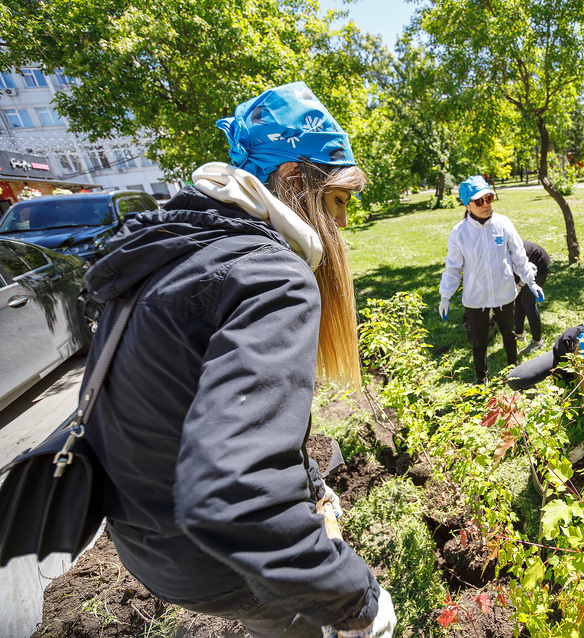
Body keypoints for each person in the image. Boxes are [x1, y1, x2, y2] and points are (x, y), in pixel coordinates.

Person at [81, 83, 395, 637]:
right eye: (339, 200)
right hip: (217, 564)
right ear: (295, 181)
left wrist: (311, 482)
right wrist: (360, 601)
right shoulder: (271, 276)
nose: (342, 223)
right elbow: (236, 498)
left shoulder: (181, 249)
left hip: (148, 545)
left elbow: (206, 409)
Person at [438, 176, 544, 384]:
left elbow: (518, 255)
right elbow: (453, 268)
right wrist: (445, 295)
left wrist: (530, 281)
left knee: (510, 335)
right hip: (476, 297)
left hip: (504, 292)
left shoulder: (503, 223)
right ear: (467, 205)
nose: (486, 204)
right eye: (479, 201)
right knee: (479, 341)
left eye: (489, 198)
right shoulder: (459, 233)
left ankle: (514, 371)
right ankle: (481, 377)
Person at [507, 319, 584, 457]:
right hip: (564, 359)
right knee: (516, 379)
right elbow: (564, 388)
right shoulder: (568, 340)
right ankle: (542, 403)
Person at [514, 240, 550, 354]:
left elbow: (530, 270)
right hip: (524, 267)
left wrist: (519, 285)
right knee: (518, 299)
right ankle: (519, 335)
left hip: (538, 263)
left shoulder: (513, 255)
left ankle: (537, 342)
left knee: (527, 301)